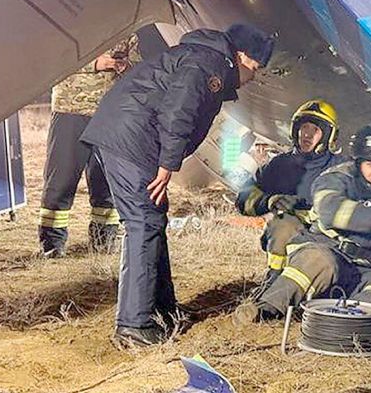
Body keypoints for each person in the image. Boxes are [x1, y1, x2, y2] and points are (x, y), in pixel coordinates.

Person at [80, 23, 274, 348]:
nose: (254, 77)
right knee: (142, 224)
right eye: (255, 67)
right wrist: (168, 164)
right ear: (240, 56)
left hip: (130, 136)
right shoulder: (208, 64)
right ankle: (134, 326)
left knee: (152, 221)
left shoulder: (203, 58)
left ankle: (163, 313)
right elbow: (178, 111)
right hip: (131, 140)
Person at [243, 124, 371, 321]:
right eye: (370, 165)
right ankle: (265, 309)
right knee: (320, 260)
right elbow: (329, 211)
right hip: (324, 248)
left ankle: (347, 321)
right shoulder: (337, 177)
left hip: (362, 268)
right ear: (358, 162)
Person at [39, 35, 140, 257]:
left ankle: (104, 242)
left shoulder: (127, 27)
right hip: (70, 110)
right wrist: (96, 63)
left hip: (109, 113)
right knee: (61, 179)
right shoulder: (74, 25)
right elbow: (54, 58)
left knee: (105, 181)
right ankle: (52, 246)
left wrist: (126, 66)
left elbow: (137, 63)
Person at [235, 99, 344, 287]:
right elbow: (244, 197)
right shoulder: (279, 165)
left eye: (315, 130)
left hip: (330, 240)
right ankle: (275, 280)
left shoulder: (342, 168)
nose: (307, 135)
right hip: (290, 236)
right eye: (304, 128)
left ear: (328, 136)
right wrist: (269, 201)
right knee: (282, 226)